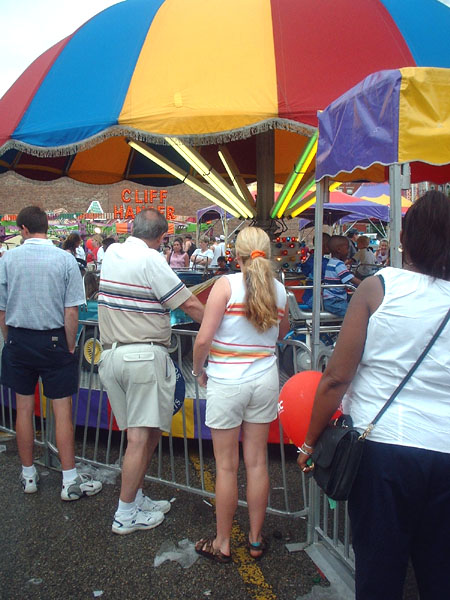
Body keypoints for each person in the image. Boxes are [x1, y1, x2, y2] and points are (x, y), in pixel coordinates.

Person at [298, 191, 450, 600]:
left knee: (379, 575)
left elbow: (336, 378)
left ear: (405, 241)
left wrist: (310, 441)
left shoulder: (378, 288)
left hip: (384, 454)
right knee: (440, 574)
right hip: (444, 452)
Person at [97, 208, 204, 535]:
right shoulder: (153, 260)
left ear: (132, 228)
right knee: (141, 439)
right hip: (142, 356)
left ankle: (136, 497)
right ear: (161, 238)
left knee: (144, 435)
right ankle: (125, 513)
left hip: (112, 356)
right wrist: (219, 327)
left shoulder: (113, 252)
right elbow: (188, 304)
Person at [192, 227, 289, 563]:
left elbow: (203, 340)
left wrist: (197, 370)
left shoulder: (226, 285)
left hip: (227, 381)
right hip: (264, 379)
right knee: (258, 462)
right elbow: (283, 331)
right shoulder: (279, 290)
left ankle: (222, 541)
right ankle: (256, 538)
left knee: (227, 467)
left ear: (236, 255)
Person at [0, 206, 102, 500]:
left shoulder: (8, 259)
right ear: (46, 227)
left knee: (23, 409)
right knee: (62, 410)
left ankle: (29, 475)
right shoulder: (65, 259)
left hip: (19, 339)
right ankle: (69, 480)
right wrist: (71, 344)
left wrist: (10, 340)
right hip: (55, 339)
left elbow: (3, 309)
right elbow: (72, 309)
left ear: (23, 229)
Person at [322, 236, 360, 316]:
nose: (348, 251)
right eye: (347, 248)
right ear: (339, 250)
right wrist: (364, 283)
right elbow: (350, 278)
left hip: (331, 298)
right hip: (335, 301)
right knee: (353, 315)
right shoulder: (339, 264)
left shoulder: (331, 262)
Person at [298, 233, 331, 308]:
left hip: (308, 295)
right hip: (316, 297)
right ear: (325, 245)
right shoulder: (323, 263)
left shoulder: (311, 260)